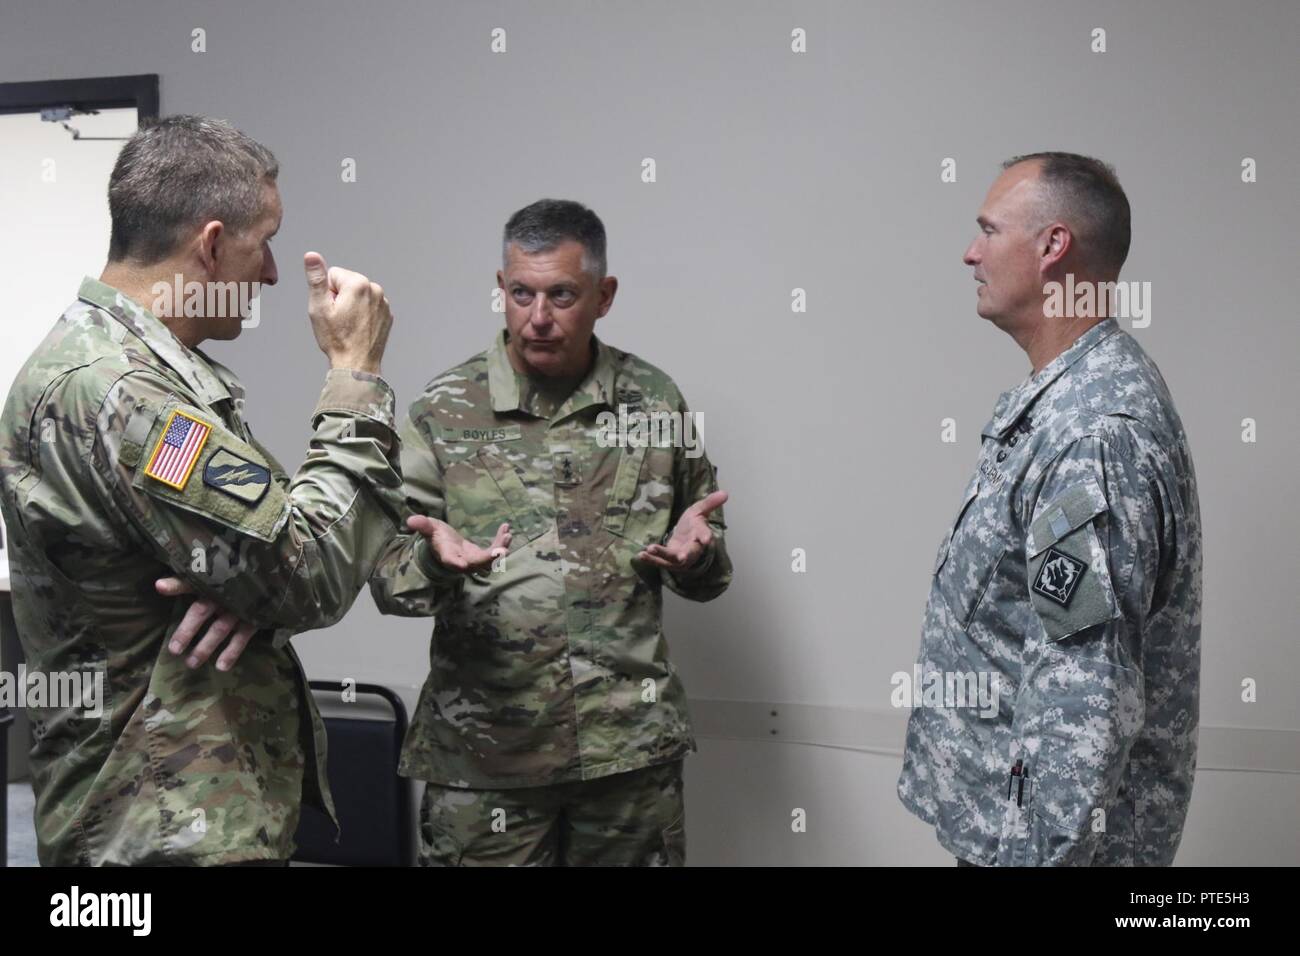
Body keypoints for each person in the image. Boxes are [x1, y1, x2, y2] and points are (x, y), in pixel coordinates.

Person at [0, 115, 403, 866]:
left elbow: (275, 560)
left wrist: (249, 586)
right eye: (265, 243)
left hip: (164, 822)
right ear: (211, 246)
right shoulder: (122, 392)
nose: (275, 275)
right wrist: (357, 373)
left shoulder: (119, 370)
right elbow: (306, 572)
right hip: (153, 834)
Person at [370, 199, 733, 866]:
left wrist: (696, 559)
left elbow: (710, 565)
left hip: (626, 756)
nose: (538, 317)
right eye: (520, 293)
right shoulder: (444, 410)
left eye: (562, 294)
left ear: (604, 295)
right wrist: (434, 563)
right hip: (486, 759)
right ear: (501, 289)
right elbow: (389, 579)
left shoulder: (655, 403)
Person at [897, 152, 1202, 866]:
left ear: (1052, 247)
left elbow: (1081, 704)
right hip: (1012, 832)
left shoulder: (1092, 436)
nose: (970, 252)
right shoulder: (1060, 401)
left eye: (989, 230)